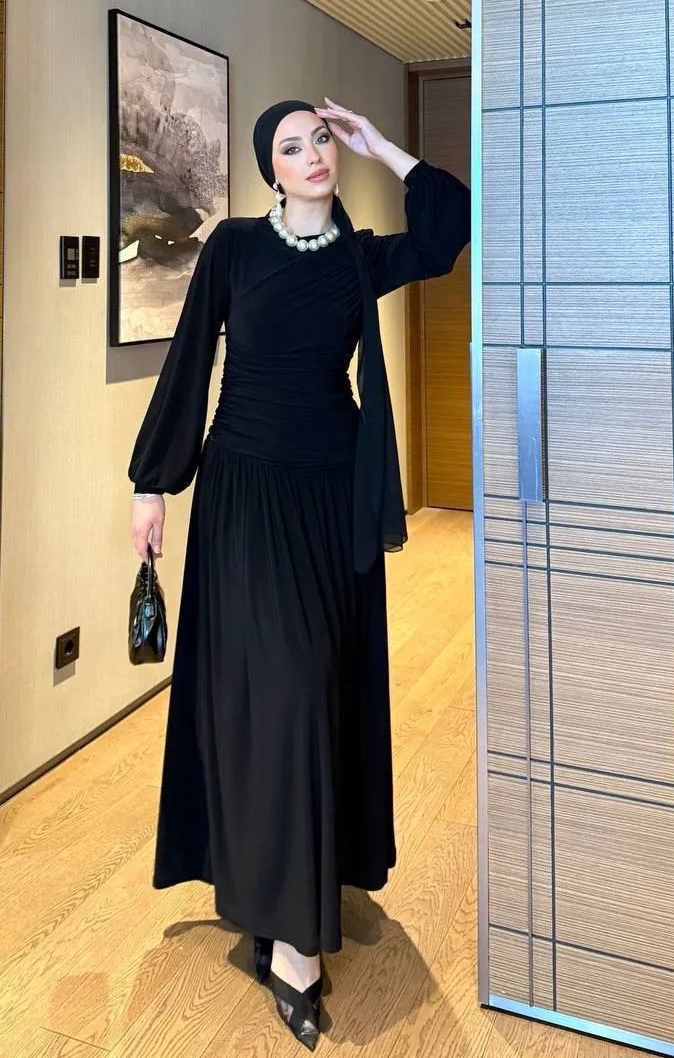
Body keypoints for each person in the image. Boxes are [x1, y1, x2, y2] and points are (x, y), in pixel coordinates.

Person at [129, 98, 470, 1049]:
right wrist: (152, 483)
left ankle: (289, 890)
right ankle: (290, 938)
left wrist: (384, 147)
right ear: (269, 170)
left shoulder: (360, 258)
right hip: (243, 493)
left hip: (331, 497)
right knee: (280, 693)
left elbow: (449, 227)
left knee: (321, 688)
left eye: (321, 139)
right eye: (293, 146)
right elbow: (189, 363)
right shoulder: (234, 248)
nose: (315, 154)